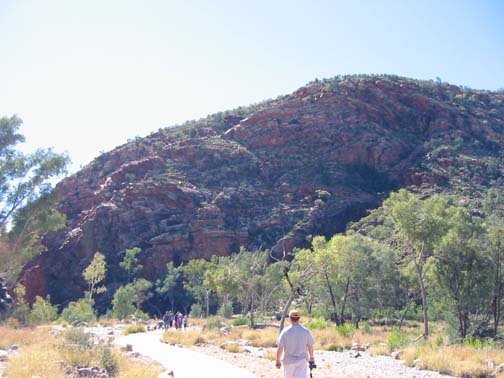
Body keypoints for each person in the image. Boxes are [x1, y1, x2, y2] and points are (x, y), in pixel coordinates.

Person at [276, 310, 315, 378]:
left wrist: (278, 360)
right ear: (299, 318)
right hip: (302, 361)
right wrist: (311, 358)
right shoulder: (306, 331)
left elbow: (280, 347)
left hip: (289, 361)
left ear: (290, 319)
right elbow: (310, 346)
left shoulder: (285, 332)